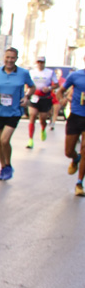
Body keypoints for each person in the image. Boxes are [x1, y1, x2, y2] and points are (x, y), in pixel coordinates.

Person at [0, 48, 33, 181]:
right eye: (8, 57)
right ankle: (3, 166)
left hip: (14, 112)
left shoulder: (23, 73)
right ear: (4, 58)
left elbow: (32, 87)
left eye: (13, 58)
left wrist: (26, 97)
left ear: (17, 58)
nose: (10, 60)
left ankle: (8, 165)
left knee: (5, 140)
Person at [57, 59, 85, 196]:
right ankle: (75, 158)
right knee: (68, 151)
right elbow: (60, 91)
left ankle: (79, 183)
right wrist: (61, 99)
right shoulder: (75, 76)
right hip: (76, 116)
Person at [26, 56, 56, 149]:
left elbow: (56, 84)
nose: (40, 64)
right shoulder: (31, 72)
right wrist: (27, 93)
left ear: (44, 63)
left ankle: (43, 128)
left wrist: (49, 88)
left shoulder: (50, 72)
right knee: (32, 115)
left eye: (42, 62)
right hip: (34, 97)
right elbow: (27, 83)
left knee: (42, 118)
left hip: (45, 98)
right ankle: (30, 140)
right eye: (38, 62)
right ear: (36, 63)